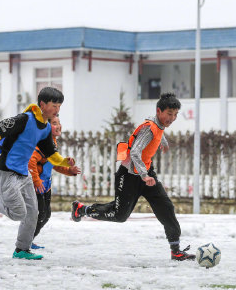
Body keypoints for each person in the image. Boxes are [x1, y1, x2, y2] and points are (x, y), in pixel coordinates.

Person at [71, 92, 195, 261]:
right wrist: (144, 175)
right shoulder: (149, 128)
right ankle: (82, 210)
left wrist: (163, 142)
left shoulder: (158, 124)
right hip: (130, 175)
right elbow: (135, 152)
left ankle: (176, 250)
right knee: (119, 215)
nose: (172, 118)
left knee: (166, 208)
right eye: (169, 114)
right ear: (159, 111)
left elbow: (158, 132)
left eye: (175, 115)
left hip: (146, 174)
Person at [0, 87, 75, 260]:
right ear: (42, 104)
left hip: (24, 175)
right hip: (6, 172)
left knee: (33, 213)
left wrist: (63, 162)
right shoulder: (24, 119)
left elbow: (50, 153)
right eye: (54, 105)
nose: (57, 110)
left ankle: (21, 250)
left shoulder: (46, 128)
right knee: (18, 213)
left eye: (59, 106)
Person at [28, 115, 81, 249]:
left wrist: (70, 171)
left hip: (46, 184)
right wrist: (36, 180)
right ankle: (25, 242)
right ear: (46, 126)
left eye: (59, 123)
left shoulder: (52, 143)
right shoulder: (42, 142)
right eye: (55, 123)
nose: (59, 126)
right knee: (40, 214)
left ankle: (28, 240)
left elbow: (54, 164)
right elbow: (31, 161)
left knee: (46, 215)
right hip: (37, 185)